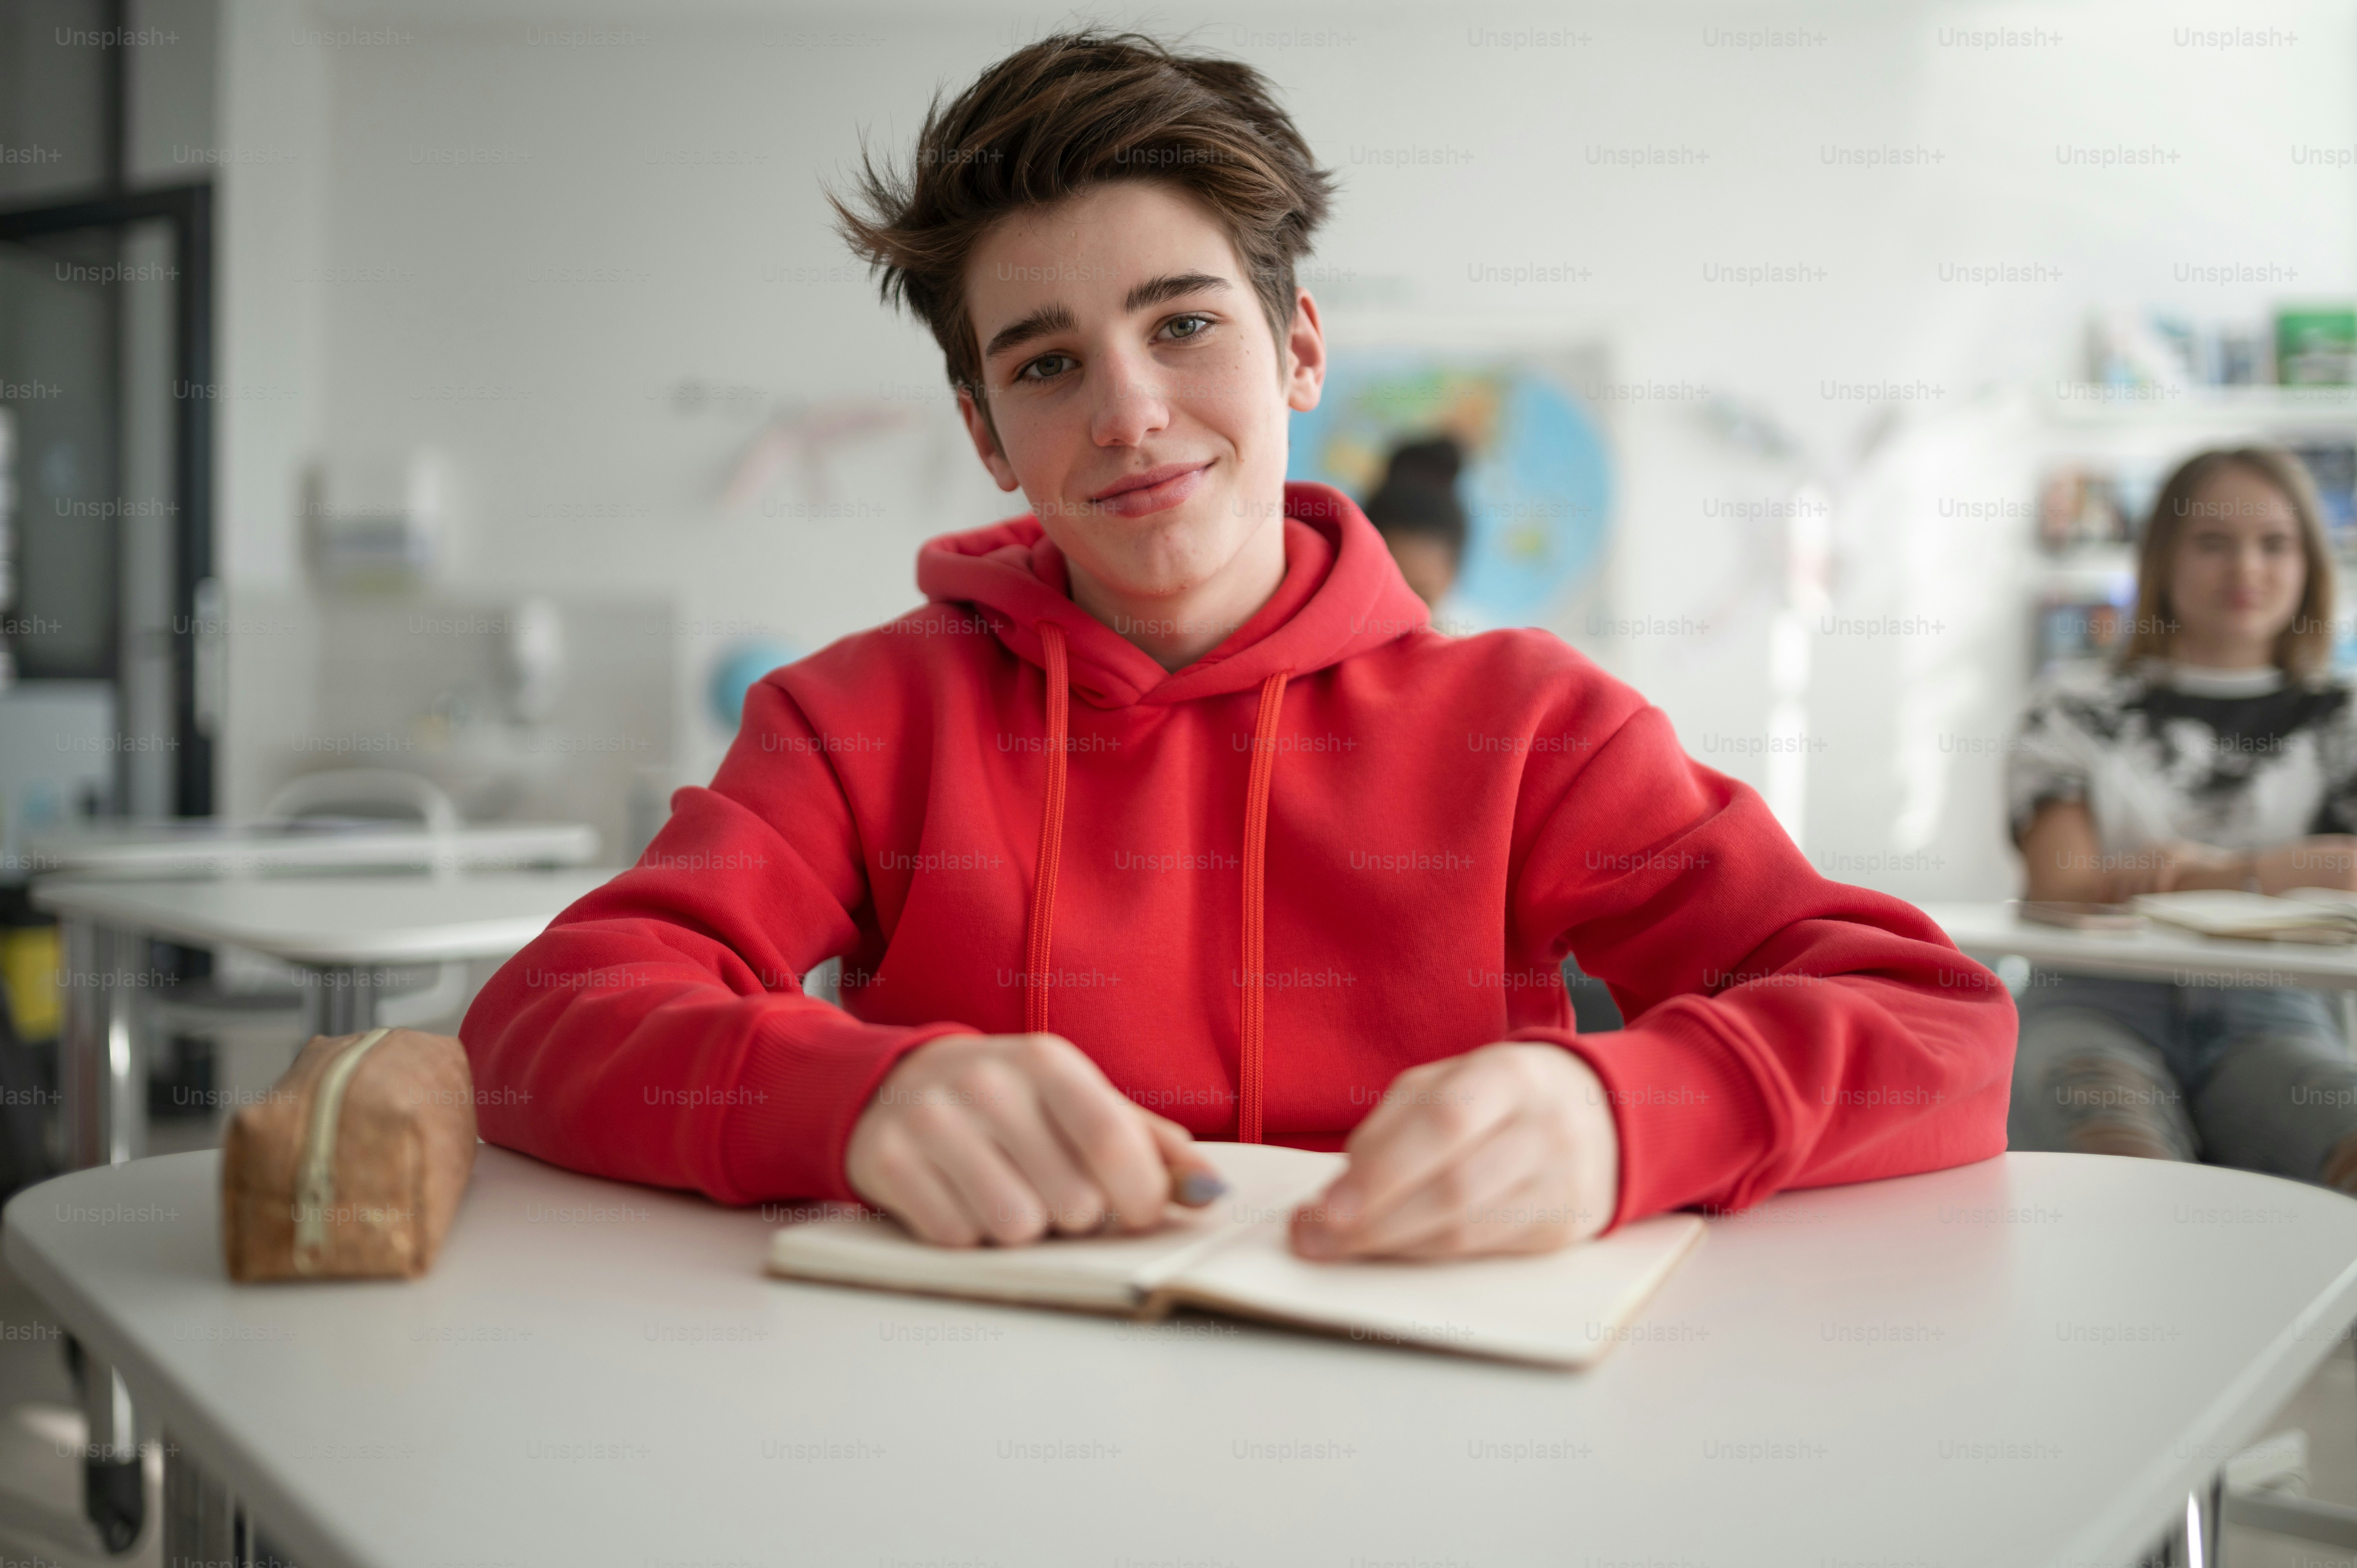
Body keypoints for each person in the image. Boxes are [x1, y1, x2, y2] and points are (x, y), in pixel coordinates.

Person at [461, 31, 2013, 1259]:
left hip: (1420, 1414)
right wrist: (854, 1094)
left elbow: (1940, 1030)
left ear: (1304, 347)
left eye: (1183, 323)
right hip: (964, 1426)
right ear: (987, 433)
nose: (1129, 412)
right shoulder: (860, 718)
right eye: (1047, 362)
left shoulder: (1527, 724)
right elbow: (539, 1027)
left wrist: (1625, 1117)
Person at [2008, 445, 2357, 1190]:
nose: (2245, 568)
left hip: (2276, 1014)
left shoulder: (2343, 717)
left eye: (2274, 542)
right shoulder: (2073, 705)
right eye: (2211, 541)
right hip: (2091, 999)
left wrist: (2216, 871)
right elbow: (2059, 885)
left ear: (2308, 561)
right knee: (2124, 1170)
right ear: (2162, 556)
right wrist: (2288, 873)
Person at [1363, 436, 1468, 609]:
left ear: (1452, 576)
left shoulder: (1467, 634)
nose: (1401, 611)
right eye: (1387, 589)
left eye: (1422, 597)